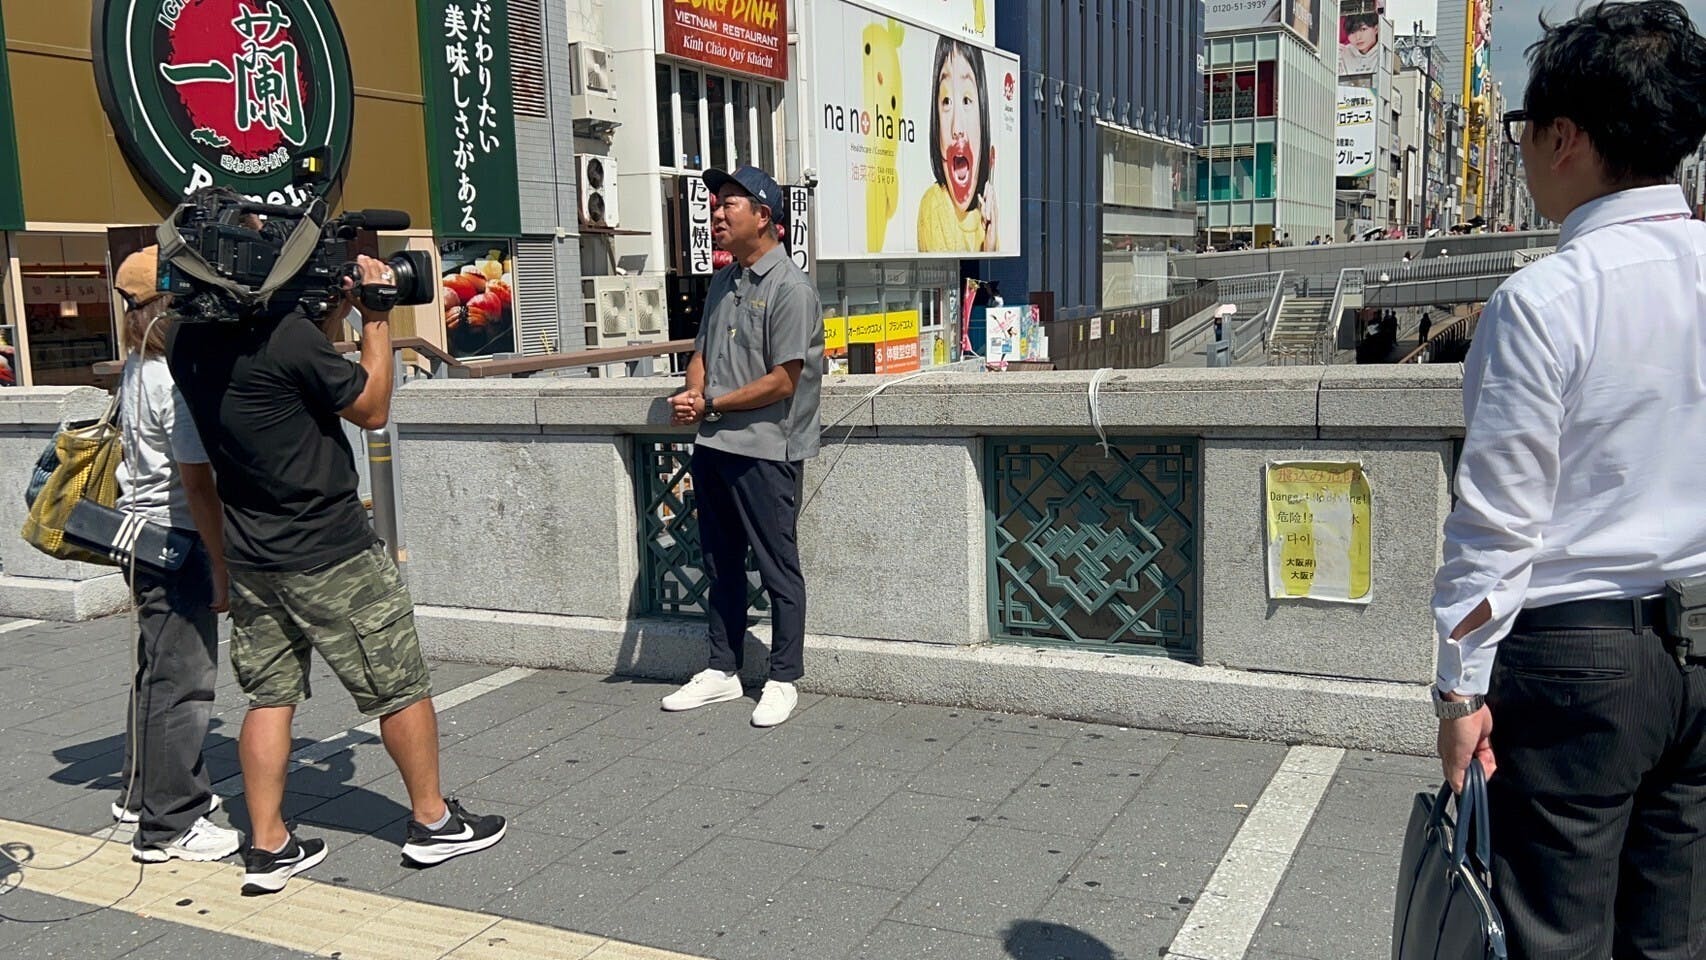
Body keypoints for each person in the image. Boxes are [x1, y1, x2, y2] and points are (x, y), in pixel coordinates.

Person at [1430, 3, 1706, 956]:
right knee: (1674, 937)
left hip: (1577, 659)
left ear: (1565, 136)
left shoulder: (1545, 301)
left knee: (1554, 933)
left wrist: (1459, 694)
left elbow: (1497, 524)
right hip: (1701, 644)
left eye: (1524, 127)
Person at [167, 200, 506, 894]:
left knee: (269, 697)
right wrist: (376, 316)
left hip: (253, 551)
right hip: (331, 549)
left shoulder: (184, 341)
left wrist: (328, 312)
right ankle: (434, 822)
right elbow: (372, 407)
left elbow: (288, 388)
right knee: (398, 686)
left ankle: (268, 845)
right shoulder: (286, 339)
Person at [664, 165, 825, 728]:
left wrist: (709, 404)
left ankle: (783, 678)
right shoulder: (722, 283)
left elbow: (784, 380)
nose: (717, 212)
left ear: (764, 216)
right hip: (715, 443)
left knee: (778, 567)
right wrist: (694, 392)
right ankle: (722, 669)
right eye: (715, 203)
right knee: (719, 561)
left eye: (730, 203)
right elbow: (701, 352)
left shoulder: (791, 288)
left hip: (768, 448)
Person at [110, 247, 240, 864]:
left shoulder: (137, 367)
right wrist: (221, 563)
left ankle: (141, 794)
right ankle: (170, 822)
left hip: (140, 536)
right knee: (184, 685)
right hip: (177, 540)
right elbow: (197, 483)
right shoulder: (173, 378)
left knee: (155, 675)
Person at [917, 37, 997, 253]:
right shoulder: (934, 206)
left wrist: (990, 244)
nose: (957, 127)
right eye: (946, 101)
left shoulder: (986, 216)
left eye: (966, 100)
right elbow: (956, 274)